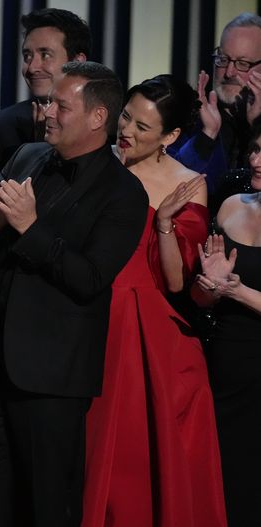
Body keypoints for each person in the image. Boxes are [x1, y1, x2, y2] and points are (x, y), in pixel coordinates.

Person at [0, 61, 148, 527]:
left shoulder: (125, 193)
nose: (47, 113)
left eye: (61, 105)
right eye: (47, 102)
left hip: (51, 379)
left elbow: (89, 278)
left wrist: (28, 227)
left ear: (98, 117)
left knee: (46, 506)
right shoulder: (26, 156)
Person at [82, 74, 227, 527]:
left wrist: (164, 224)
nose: (127, 131)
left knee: (149, 459)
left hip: (153, 335)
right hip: (93, 321)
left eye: (143, 128)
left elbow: (176, 281)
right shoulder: (94, 162)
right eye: (126, 117)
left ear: (171, 136)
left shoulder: (188, 183)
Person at [192, 124, 261, 525]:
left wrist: (238, 292)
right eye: (253, 150)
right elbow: (202, 299)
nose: (254, 161)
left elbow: (235, 291)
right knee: (224, 478)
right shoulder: (231, 205)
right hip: (224, 364)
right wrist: (211, 288)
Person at [0, 8, 90, 188]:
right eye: (27, 56)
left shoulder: (107, 126)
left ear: (77, 62)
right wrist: (38, 150)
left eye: (45, 55)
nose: (32, 67)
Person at [171, 13, 261, 204]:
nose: (229, 72)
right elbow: (173, 185)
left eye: (243, 64)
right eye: (223, 59)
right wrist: (206, 136)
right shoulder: (187, 117)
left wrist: (257, 126)